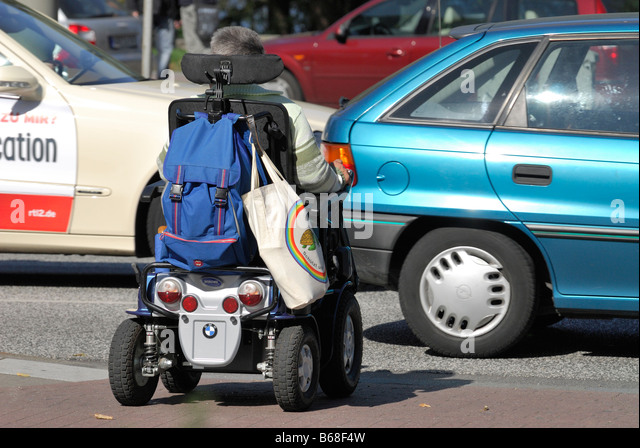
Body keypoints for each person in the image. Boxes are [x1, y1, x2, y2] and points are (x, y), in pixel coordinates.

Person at [158, 26, 350, 193]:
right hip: (267, 222)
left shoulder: (190, 108)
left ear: (214, 59)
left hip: (205, 222)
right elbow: (311, 177)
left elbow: (163, 167)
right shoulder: (288, 110)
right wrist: (338, 177)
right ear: (257, 64)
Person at [127, 0, 180, 78]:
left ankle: (161, 76)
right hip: (144, 12)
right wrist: (133, 8)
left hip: (166, 13)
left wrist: (177, 15)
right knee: (144, 47)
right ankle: (144, 76)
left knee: (165, 49)